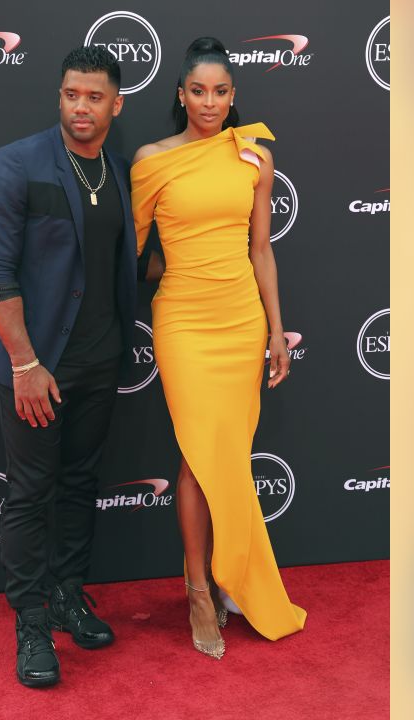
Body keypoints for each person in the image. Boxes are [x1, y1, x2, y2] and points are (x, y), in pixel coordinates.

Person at [0, 46, 137, 688]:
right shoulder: (18, 163)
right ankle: (31, 625)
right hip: (37, 365)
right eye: (71, 95)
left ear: (115, 105)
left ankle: (67, 595)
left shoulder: (118, 172)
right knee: (31, 492)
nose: (81, 107)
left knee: (81, 482)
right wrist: (25, 365)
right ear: (59, 97)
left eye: (94, 97)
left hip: (99, 361)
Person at [131, 37, 307, 660]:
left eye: (221, 91)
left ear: (235, 96)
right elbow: (133, 252)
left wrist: (275, 330)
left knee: (220, 456)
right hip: (182, 319)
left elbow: (262, 248)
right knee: (198, 452)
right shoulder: (151, 160)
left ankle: (214, 577)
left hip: (239, 321)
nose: (210, 101)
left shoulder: (255, 159)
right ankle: (200, 593)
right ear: (180, 95)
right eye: (198, 91)